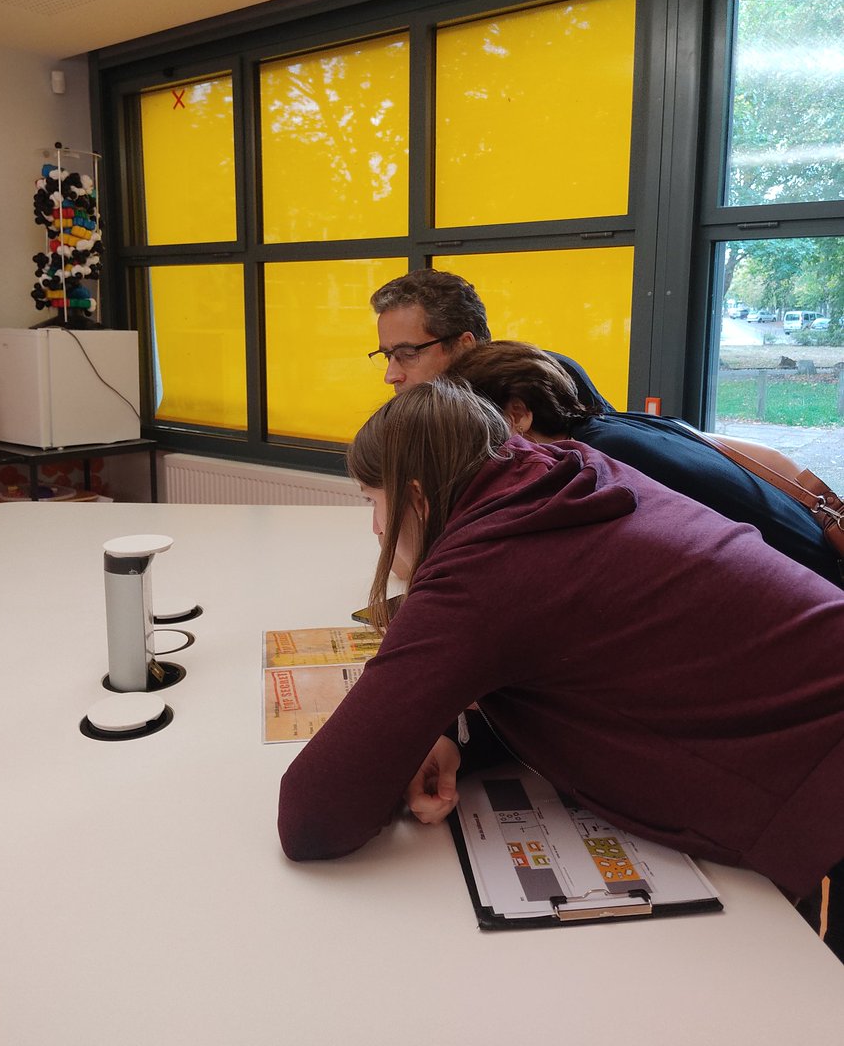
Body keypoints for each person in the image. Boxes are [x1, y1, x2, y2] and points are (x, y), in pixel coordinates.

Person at [278, 378, 844, 960]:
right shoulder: (568, 469)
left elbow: (314, 818)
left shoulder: (484, 566)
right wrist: (456, 737)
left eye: (374, 502)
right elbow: (586, 660)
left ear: (416, 498)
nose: (376, 529)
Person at [446, 340, 843, 587]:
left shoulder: (599, 463)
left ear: (518, 414)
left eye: (472, 428)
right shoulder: (618, 424)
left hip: (812, 601)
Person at [369, 269, 612, 409]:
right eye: (388, 356)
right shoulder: (433, 413)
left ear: (465, 345)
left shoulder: (540, 382)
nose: (390, 376)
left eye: (408, 354)